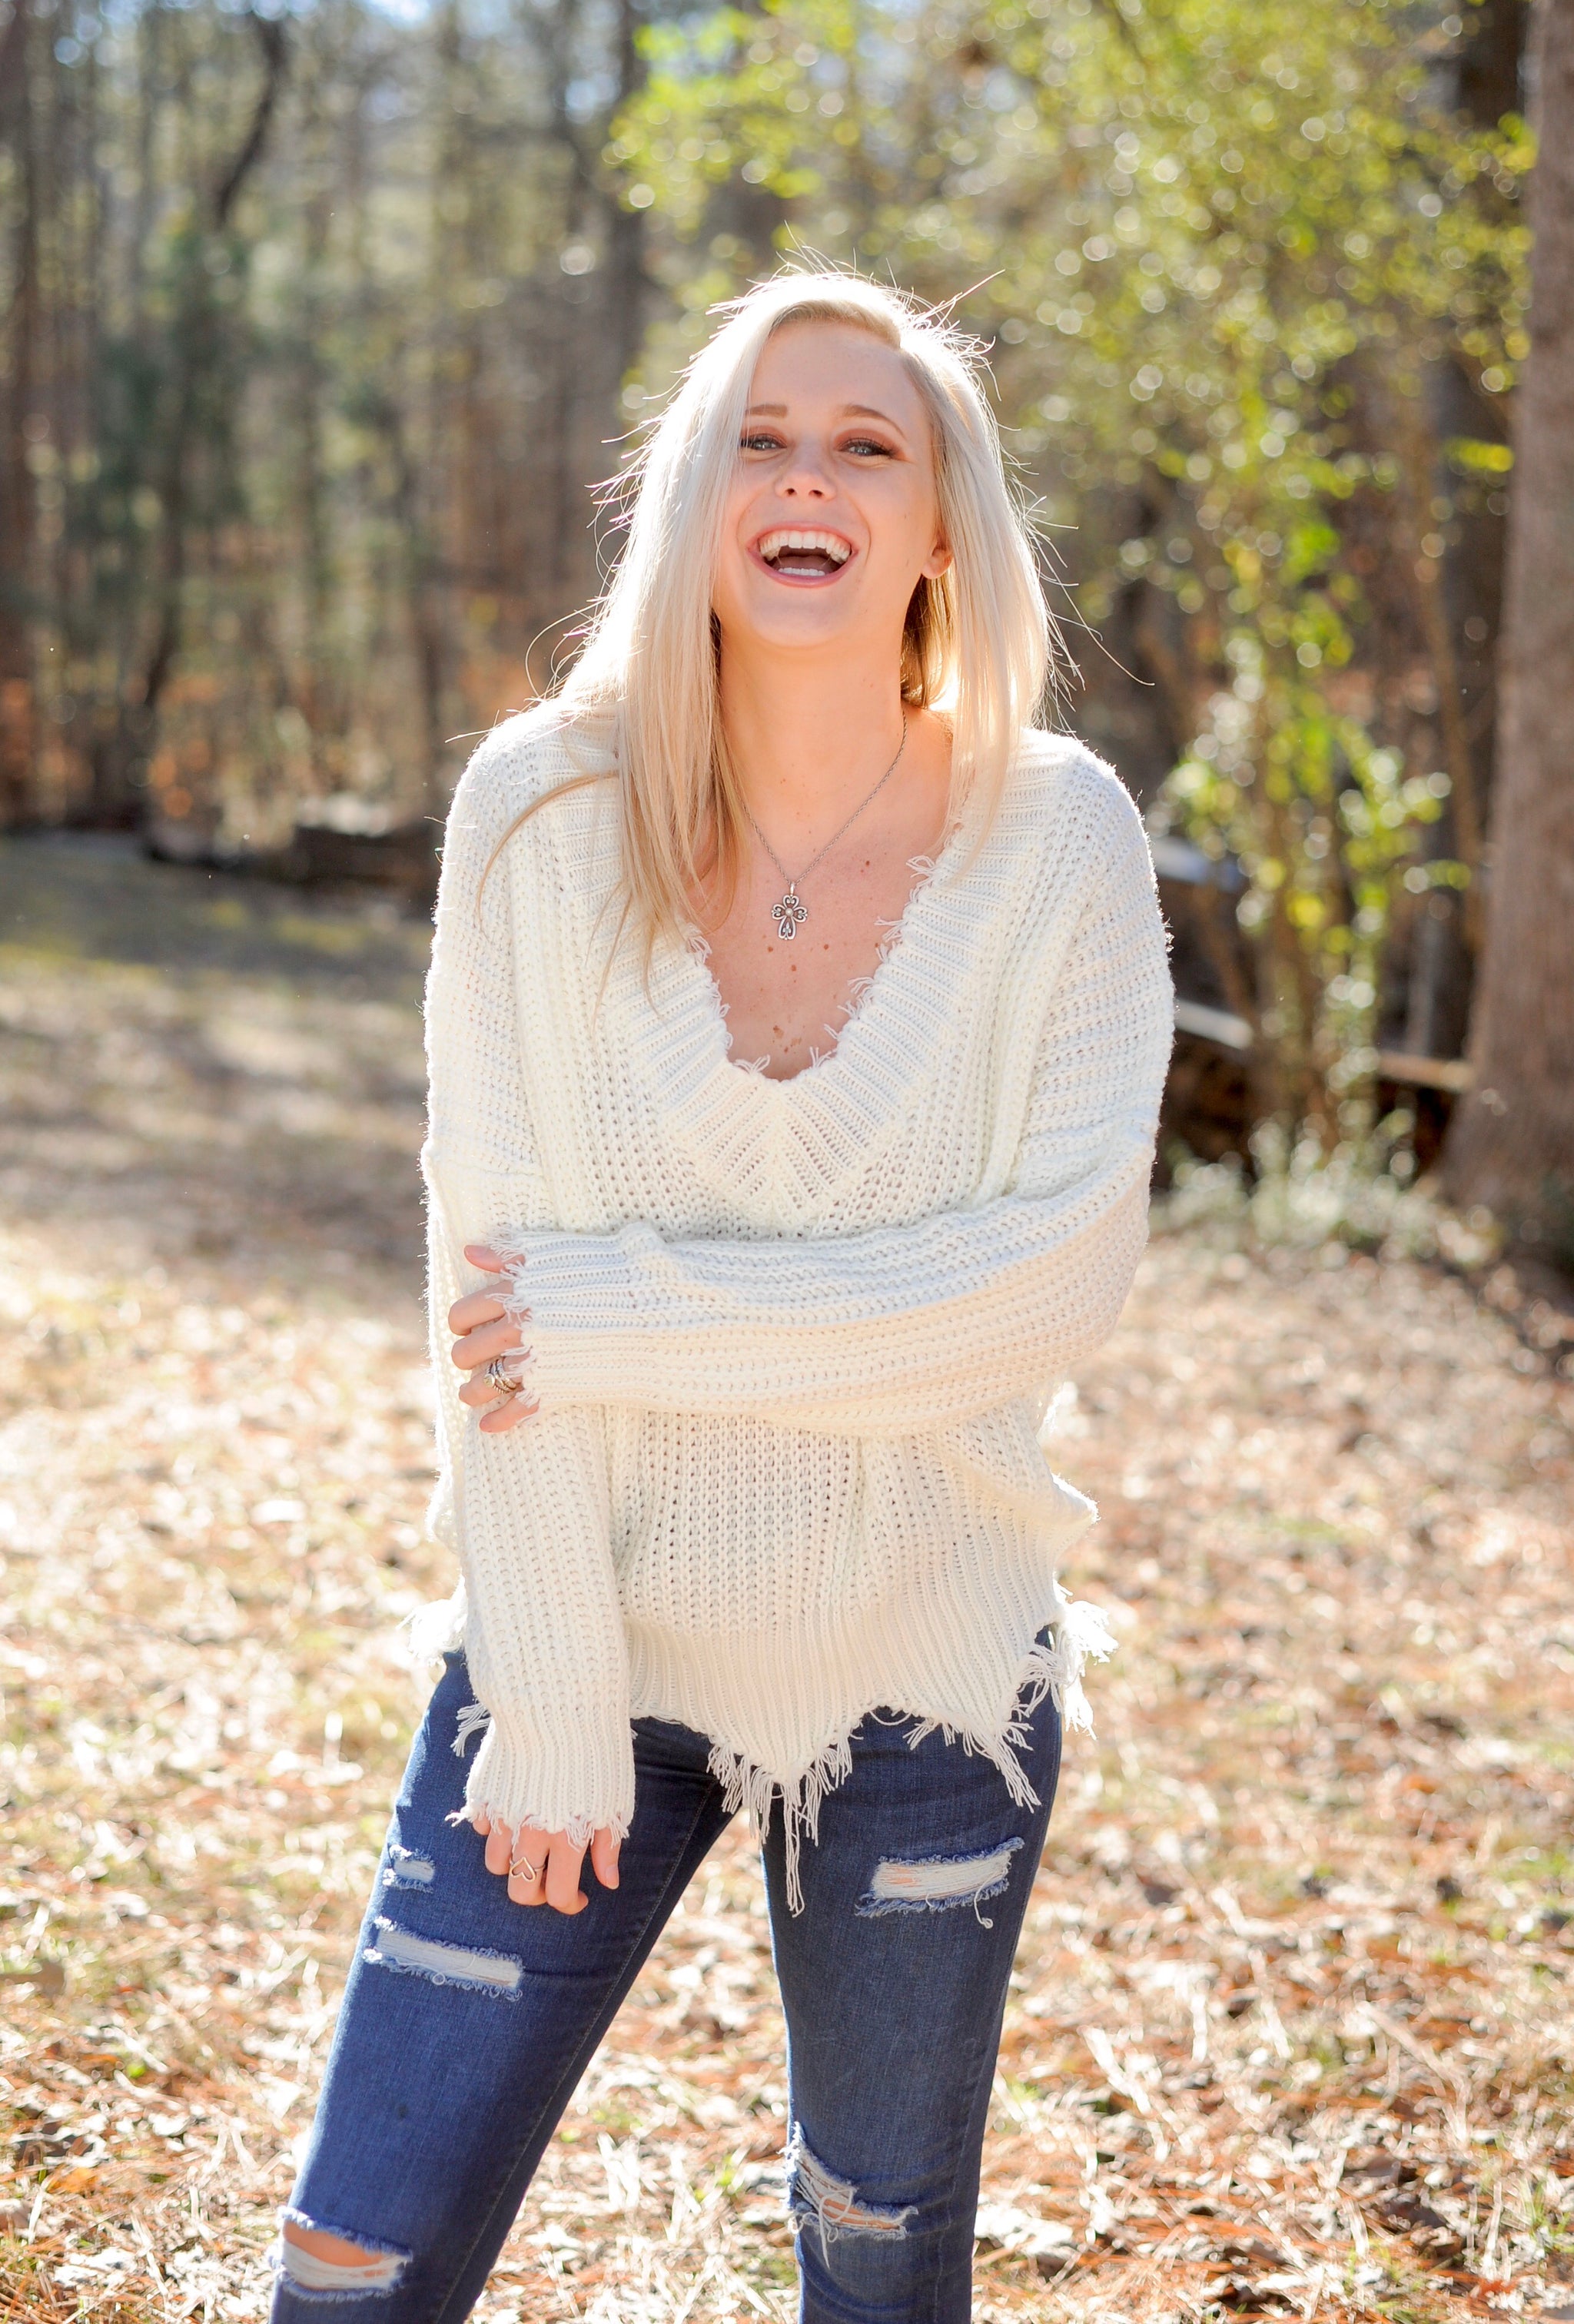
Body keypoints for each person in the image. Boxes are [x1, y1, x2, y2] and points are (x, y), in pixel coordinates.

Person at [271, 270, 1173, 2323]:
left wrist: (631, 1317)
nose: (809, 476)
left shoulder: (1058, 842)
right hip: (584, 1632)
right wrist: (558, 1695)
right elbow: (489, 1300)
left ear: (945, 528)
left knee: (875, 2261)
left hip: (926, 1660)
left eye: (871, 444)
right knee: (351, 2254)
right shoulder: (538, 812)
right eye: (759, 437)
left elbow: (1047, 1288)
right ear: (683, 498)